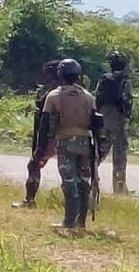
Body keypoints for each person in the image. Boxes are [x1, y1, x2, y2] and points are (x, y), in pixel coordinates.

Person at [35, 58, 105, 230]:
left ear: (60, 74)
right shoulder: (88, 97)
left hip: (65, 143)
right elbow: (96, 124)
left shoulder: (54, 96)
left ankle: (69, 222)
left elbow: (45, 127)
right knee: (84, 182)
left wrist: (41, 149)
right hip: (85, 144)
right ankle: (81, 223)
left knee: (69, 182)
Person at [13, 60, 61, 208]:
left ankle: (29, 200)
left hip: (49, 137)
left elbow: (47, 121)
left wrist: (43, 147)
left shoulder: (52, 95)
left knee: (33, 165)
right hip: (66, 136)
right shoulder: (67, 93)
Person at [95, 50, 134, 194]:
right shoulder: (125, 81)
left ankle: (89, 177)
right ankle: (119, 187)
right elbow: (126, 100)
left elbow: (97, 98)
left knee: (100, 152)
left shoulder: (104, 80)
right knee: (120, 155)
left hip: (103, 117)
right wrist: (128, 116)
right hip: (118, 119)